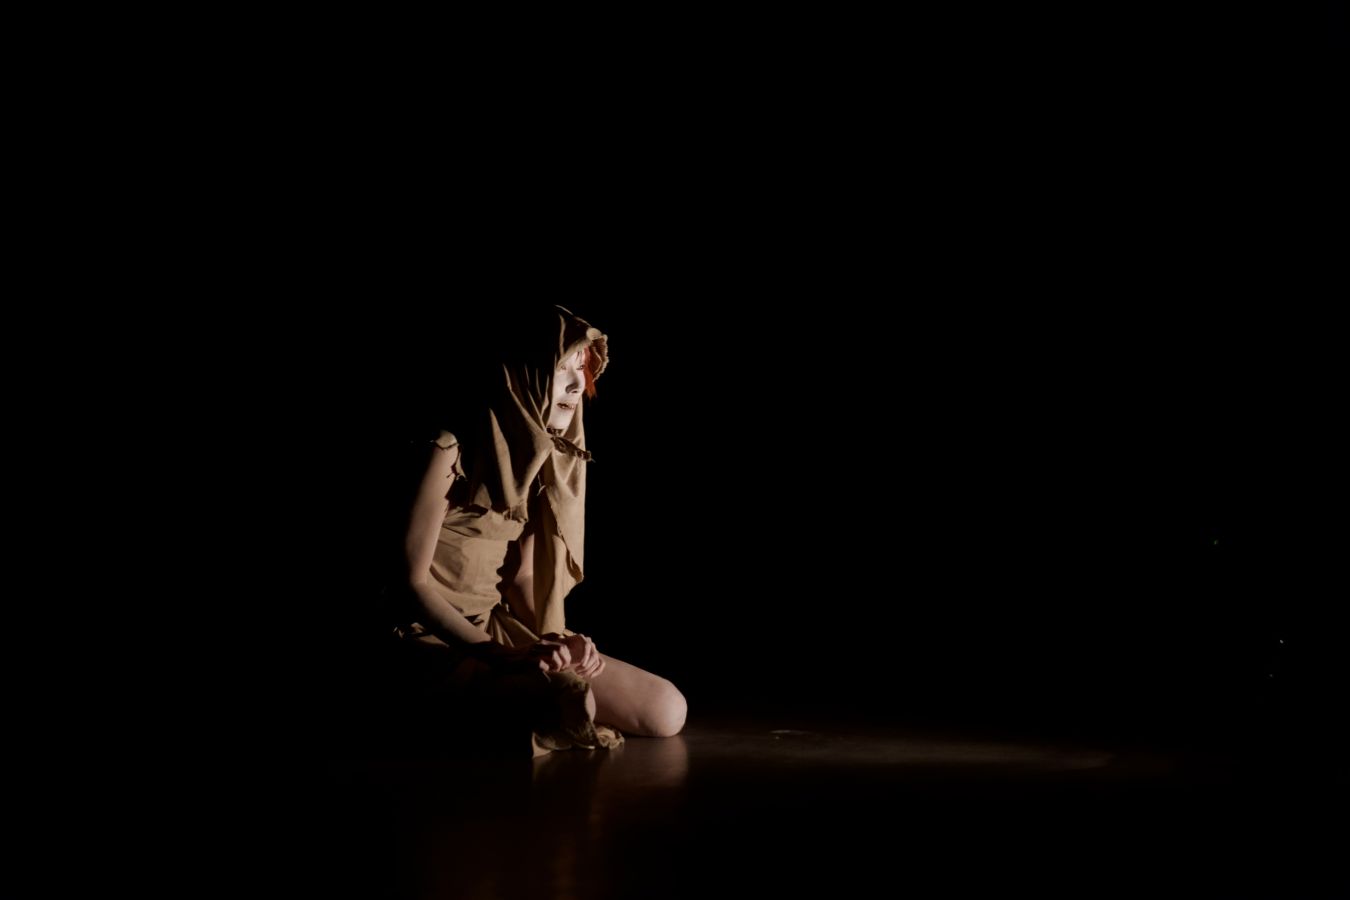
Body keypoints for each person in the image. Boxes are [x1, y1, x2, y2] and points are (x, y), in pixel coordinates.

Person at [383, 305, 686, 755]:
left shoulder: (543, 457)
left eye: (581, 371)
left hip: (492, 630)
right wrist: (501, 656)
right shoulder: (448, 449)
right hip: (429, 639)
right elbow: (409, 585)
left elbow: (522, 577)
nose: (577, 384)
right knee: (570, 702)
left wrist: (561, 642)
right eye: (562, 369)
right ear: (521, 374)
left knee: (665, 708)